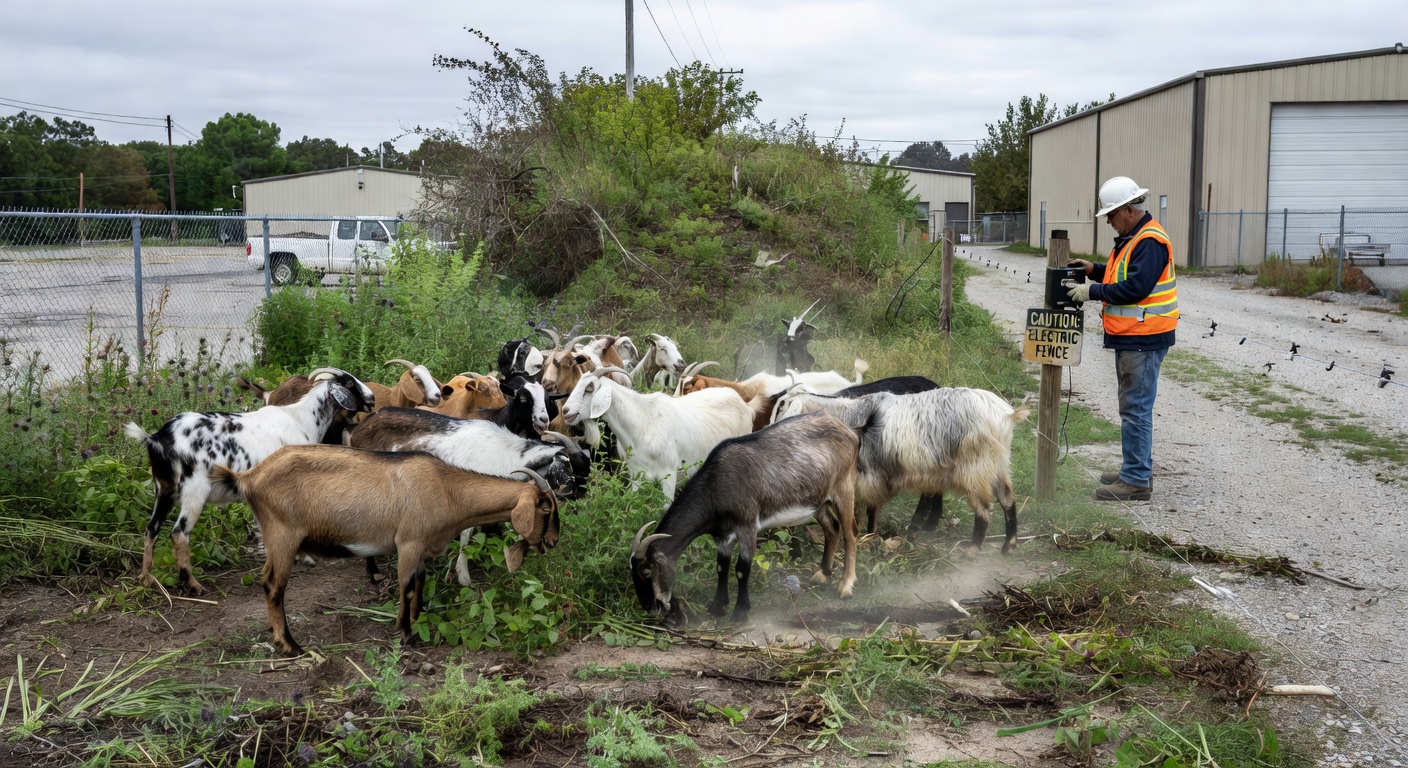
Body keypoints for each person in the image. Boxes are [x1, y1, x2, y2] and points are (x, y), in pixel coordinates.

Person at [1062, 176, 1178, 501]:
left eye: (1111, 215)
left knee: (1135, 408)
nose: (1109, 222)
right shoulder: (1134, 237)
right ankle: (1135, 469)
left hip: (1144, 336)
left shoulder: (1149, 240)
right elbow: (1120, 275)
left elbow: (1135, 288)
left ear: (1128, 209)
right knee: (1133, 406)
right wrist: (1094, 270)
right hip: (1136, 336)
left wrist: (1091, 291)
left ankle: (1136, 480)